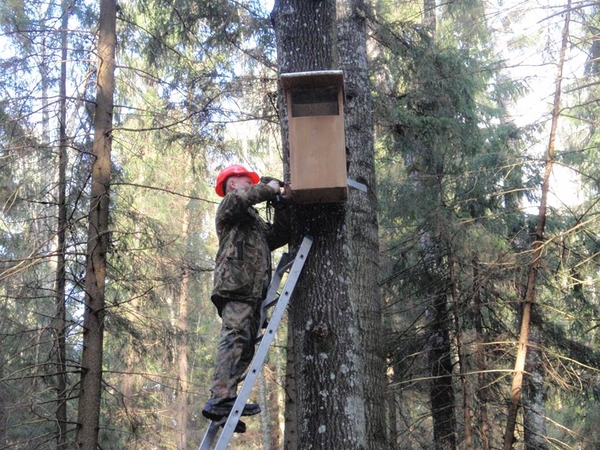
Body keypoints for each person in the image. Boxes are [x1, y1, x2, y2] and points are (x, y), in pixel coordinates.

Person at [202, 164, 291, 431]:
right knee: (235, 337)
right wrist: (268, 188)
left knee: (246, 347)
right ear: (232, 183)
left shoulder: (253, 222)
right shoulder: (230, 207)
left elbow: (280, 235)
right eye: (246, 181)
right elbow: (243, 198)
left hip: (253, 293)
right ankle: (220, 399)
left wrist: (281, 204)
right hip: (236, 287)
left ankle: (223, 408)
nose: (250, 185)